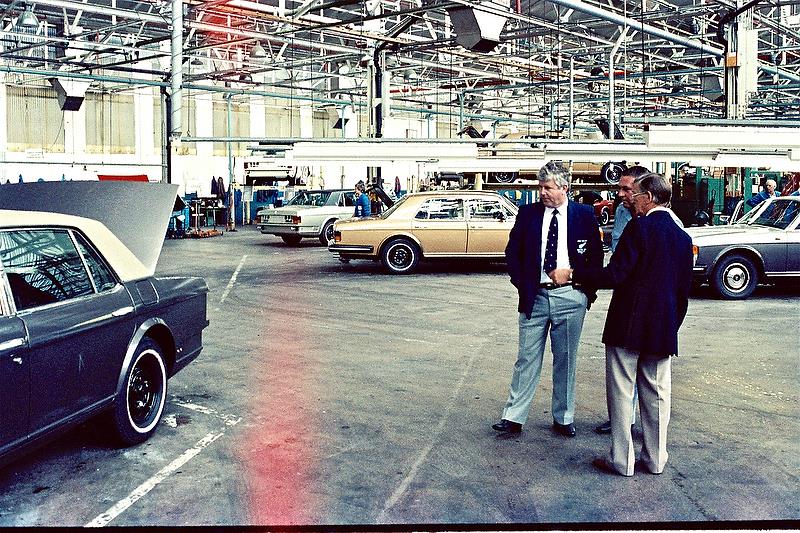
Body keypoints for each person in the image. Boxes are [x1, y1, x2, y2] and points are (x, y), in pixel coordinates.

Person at [549, 172, 693, 476]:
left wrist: (572, 275)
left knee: (622, 392)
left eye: (635, 196)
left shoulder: (638, 229)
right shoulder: (683, 238)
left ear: (649, 198)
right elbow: (682, 294)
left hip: (627, 326)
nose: (629, 200)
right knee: (657, 396)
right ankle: (655, 460)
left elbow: (615, 274)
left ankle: (622, 460)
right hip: (662, 330)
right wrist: (670, 326)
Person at [492, 161, 604, 438]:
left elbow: (596, 258)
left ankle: (563, 417)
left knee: (565, 359)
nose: (542, 192)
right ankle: (514, 417)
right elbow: (512, 253)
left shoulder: (584, 215)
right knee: (526, 357)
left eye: (548, 187)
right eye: (540, 187)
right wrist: (523, 284)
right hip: (535, 297)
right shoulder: (528, 214)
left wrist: (585, 292)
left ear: (564, 188)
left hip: (570, 297)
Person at [595, 165, 649, 434]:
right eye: (620, 188)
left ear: (643, 192)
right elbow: (618, 250)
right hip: (624, 292)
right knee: (622, 364)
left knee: (643, 366)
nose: (621, 194)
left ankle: (638, 423)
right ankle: (622, 419)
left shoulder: (662, 220)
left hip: (646, 300)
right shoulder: (620, 212)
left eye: (627, 189)